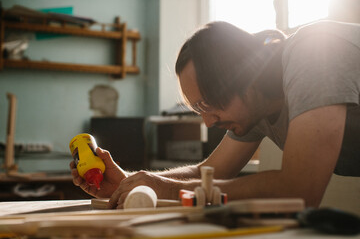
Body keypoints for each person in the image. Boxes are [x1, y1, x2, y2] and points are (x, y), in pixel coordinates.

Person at [70, 20, 360, 209]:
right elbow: (207, 173)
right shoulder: (256, 105)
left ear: (244, 77)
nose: (208, 122)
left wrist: (164, 187)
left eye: (209, 104)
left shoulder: (314, 54)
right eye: (199, 109)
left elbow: (300, 189)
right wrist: (128, 183)